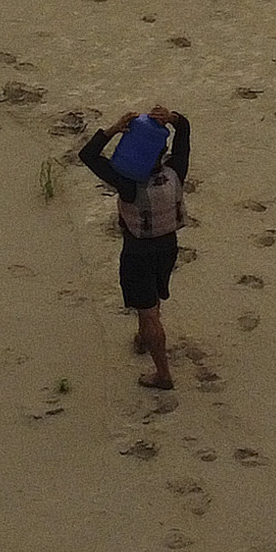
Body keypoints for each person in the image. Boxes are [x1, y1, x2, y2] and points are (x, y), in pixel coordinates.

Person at [76, 105, 193, 389]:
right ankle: (143, 338)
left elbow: (87, 155)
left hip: (138, 252)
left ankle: (162, 374)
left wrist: (114, 128)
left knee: (149, 312)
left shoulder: (128, 183)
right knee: (152, 300)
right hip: (168, 247)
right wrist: (173, 119)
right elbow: (185, 133)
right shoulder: (176, 170)